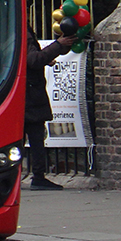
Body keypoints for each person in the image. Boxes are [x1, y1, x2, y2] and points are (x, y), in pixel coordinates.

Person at [25, 26, 79, 190]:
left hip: (27, 95)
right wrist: (58, 45)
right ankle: (38, 176)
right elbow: (33, 60)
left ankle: (22, 175)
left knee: (29, 138)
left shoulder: (15, 28)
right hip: (30, 96)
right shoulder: (23, 31)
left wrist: (47, 56)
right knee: (35, 138)